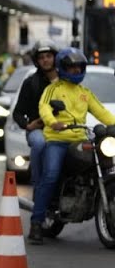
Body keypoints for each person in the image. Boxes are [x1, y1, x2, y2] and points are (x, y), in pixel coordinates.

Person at [28, 47, 115, 244]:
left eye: (79, 67)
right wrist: (52, 122)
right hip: (57, 139)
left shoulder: (85, 93)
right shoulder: (53, 89)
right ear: (61, 68)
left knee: (103, 162)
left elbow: (103, 113)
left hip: (80, 138)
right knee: (50, 175)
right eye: (72, 67)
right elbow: (44, 108)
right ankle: (36, 223)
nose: (76, 71)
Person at [12, 40, 59, 196]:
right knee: (39, 143)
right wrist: (28, 125)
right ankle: (38, 184)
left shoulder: (66, 81)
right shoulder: (30, 82)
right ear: (37, 61)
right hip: (39, 130)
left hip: (63, 128)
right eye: (41, 57)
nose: (45, 60)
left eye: (49, 56)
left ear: (55, 58)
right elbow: (17, 113)